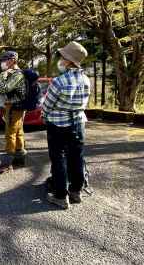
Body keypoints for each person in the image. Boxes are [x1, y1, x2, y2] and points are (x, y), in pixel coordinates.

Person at [43, 41, 90, 210]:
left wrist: (44, 116)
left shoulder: (59, 81)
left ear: (69, 61)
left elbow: (47, 105)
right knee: (76, 157)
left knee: (59, 158)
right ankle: (76, 192)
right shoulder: (86, 79)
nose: (60, 60)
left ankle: (60, 196)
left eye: (62, 57)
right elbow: (85, 102)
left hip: (58, 124)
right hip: (79, 123)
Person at [0, 51, 27, 174]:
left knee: (10, 134)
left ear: (13, 60)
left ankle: (7, 164)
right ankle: (19, 159)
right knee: (18, 133)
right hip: (14, 107)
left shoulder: (17, 74)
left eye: (5, 60)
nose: (3, 62)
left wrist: (3, 74)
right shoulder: (14, 74)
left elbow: (4, 89)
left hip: (15, 108)